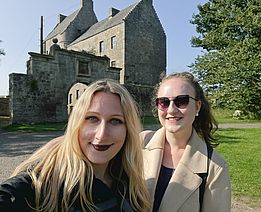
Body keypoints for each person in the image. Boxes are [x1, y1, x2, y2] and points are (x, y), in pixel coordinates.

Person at [0, 79, 150, 212]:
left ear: (128, 129)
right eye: (92, 118)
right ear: (76, 124)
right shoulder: (45, 182)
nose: (101, 134)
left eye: (115, 121)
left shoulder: (129, 182)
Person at [141, 72, 231, 212]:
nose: (171, 110)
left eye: (181, 101)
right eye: (164, 102)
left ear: (197, 106)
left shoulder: (214, 167)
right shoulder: (139, 143)